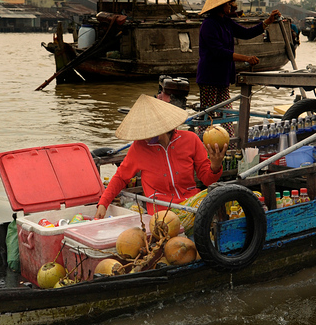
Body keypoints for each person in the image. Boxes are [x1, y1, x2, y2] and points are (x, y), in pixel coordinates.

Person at [94, 94, 225, 231]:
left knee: (222, 198)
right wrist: (103, 203)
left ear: (162, 126)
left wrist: (215, 165)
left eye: (147, 132)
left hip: (190, 204)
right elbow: (120, 177)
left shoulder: (190, 139)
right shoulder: (138, 148)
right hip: (162, 214)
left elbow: (208, 179)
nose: (143, 137)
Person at [196, 0, 282, 132]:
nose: (231, 6)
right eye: (228, 3)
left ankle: (231, 143)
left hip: (223, 77)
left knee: (227, 113)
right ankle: (202, 146)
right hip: (209, 77)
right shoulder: (208, 25)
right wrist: (246, 58)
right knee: (208, 116)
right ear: (220, 5)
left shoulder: (226, 22)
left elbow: (247, 33)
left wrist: (268, 21)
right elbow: (219, 52)